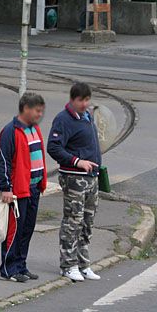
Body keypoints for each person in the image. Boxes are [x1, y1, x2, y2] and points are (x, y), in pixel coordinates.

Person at [47, 82, 103, 282]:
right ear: (73, 99)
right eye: (81, 100)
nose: (85, 104)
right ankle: (68, 265)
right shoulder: (64, 120)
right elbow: (53, 147)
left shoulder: (87, 117)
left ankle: (83, 263)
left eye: (87, 100)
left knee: (87, 222)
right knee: (73, 221)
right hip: (74, 177)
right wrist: (77, 161)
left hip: (91, 178)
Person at [0, 92, 47, 283]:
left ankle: (21, 265)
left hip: (33, 188)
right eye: (37, 111)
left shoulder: (34, 129)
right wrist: (6, 188)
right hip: (18, 191)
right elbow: (4, 162)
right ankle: (8, 269)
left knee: (27, 229)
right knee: (14, 231)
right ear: (25, 109)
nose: (39, 115)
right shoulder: (10, 131)